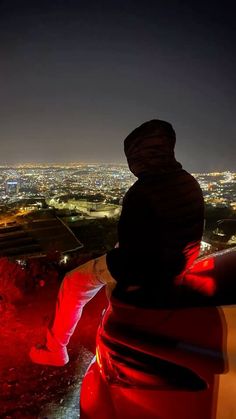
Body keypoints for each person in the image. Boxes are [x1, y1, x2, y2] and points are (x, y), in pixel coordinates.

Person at [30, 119, 204, 366]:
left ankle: (56, 349)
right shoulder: (188, 181)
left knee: (74, 283)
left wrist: (123, 279)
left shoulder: (142, 192)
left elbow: (127, 253)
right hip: (178, 262)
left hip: (147, 269)